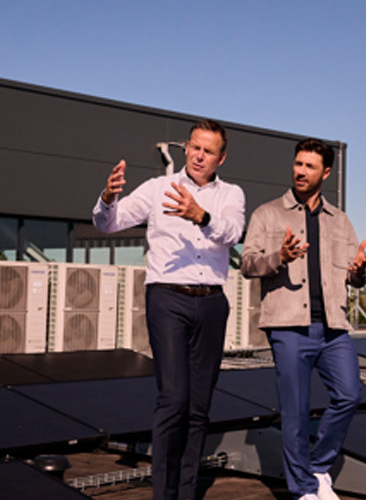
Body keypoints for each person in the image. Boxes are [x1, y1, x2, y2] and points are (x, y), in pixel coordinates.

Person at [92, 119, 245, 500]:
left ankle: (186, 492)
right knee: (173, 398)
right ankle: (164, 494)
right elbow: (109, 224)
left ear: (221, 158)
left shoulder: (232, 194)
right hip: (167, 299)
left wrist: (201, 215)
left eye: (208, 151)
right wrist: (108, 198)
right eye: (194, 147)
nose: (199, 156)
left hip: (212, 303)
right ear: (186, 148)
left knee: (198, 406)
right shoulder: (157, 188)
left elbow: (233, 232)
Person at [241, 138, 366, 500]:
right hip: (288, 327)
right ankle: (302, 490)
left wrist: (359, 272)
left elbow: (355, 278)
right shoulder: (267, 214)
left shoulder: (340, 221)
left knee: (349, 395)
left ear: (325, 173)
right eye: (298, 163)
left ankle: (318, 467)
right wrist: (279, 257)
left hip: (333, 327)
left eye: (309, 166)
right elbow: (247, 264)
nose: (300, 171)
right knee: (295, 412)